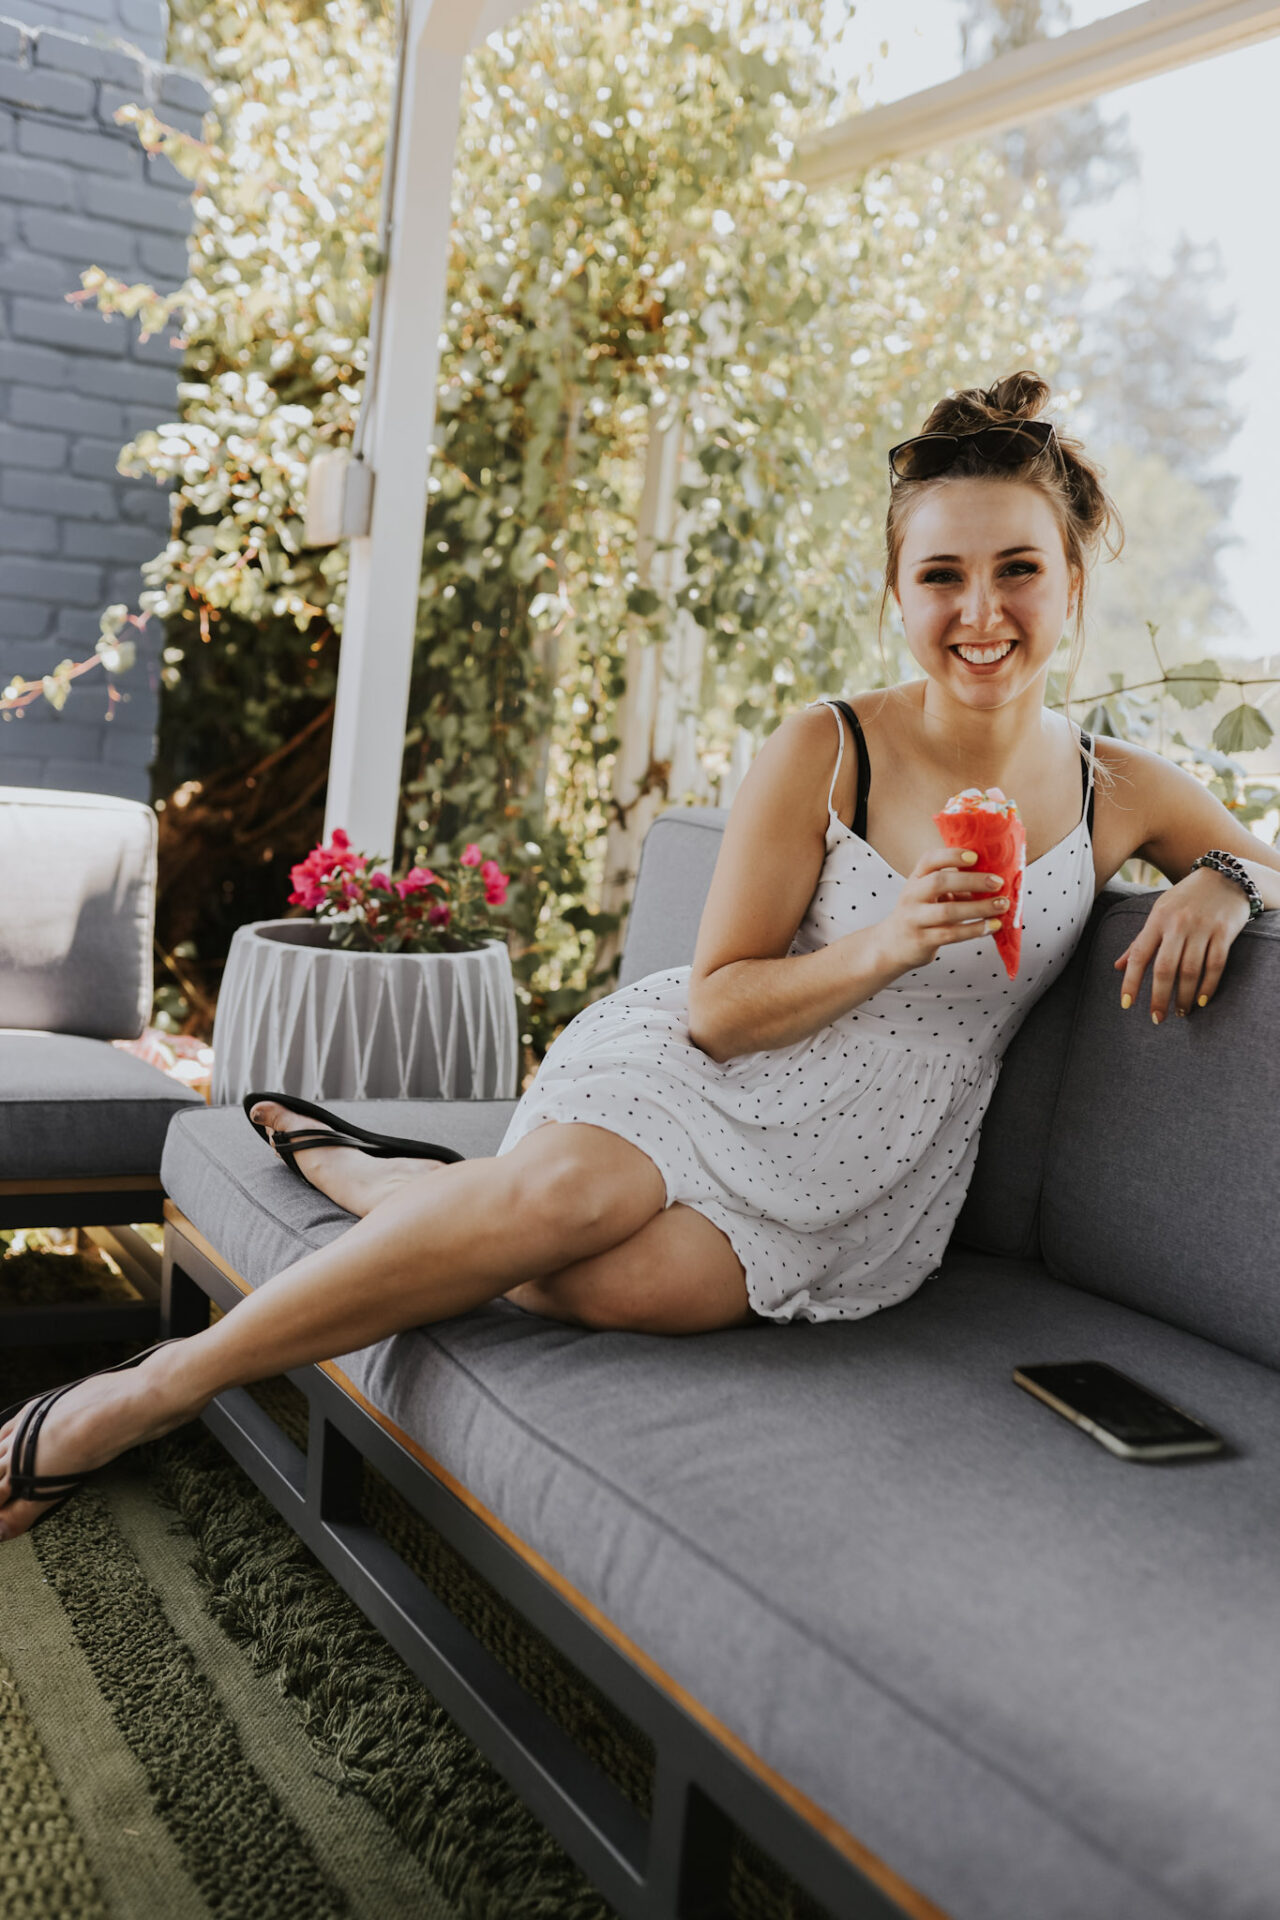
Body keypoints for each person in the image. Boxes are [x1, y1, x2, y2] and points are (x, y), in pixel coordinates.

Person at [4, 369, 1278, 1543]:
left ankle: (391, 1186)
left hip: (875, 1160)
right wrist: (889, 941)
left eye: (1017, 570)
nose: (981, 612)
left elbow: (1267, 864)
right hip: (702, 1070)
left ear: (1069, 583)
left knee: (614, 1280)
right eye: (941, 576)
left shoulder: (1122, 788)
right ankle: (133, 1397)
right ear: (896, 593)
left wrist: (1222, 878)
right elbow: (719, 1011)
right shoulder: (827, 747)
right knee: (561, 1204)